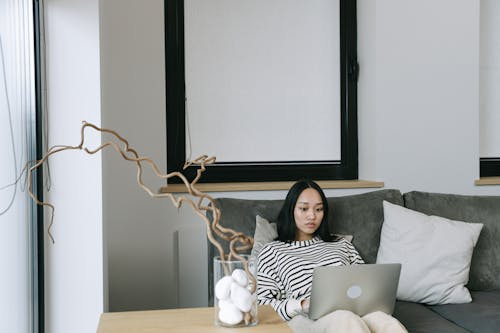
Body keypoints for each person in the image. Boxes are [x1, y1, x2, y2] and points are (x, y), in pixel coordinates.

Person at [256, 179, 407, 333]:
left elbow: (365, 282)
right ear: (291, 210)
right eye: (304, 209)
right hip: (307, 320)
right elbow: (261, 305)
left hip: (354, 310)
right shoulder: (272, 251)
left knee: (384, 320)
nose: (312, 216)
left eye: (319, 209)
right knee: (345, 319)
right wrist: (301, 304)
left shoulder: (342, 244)